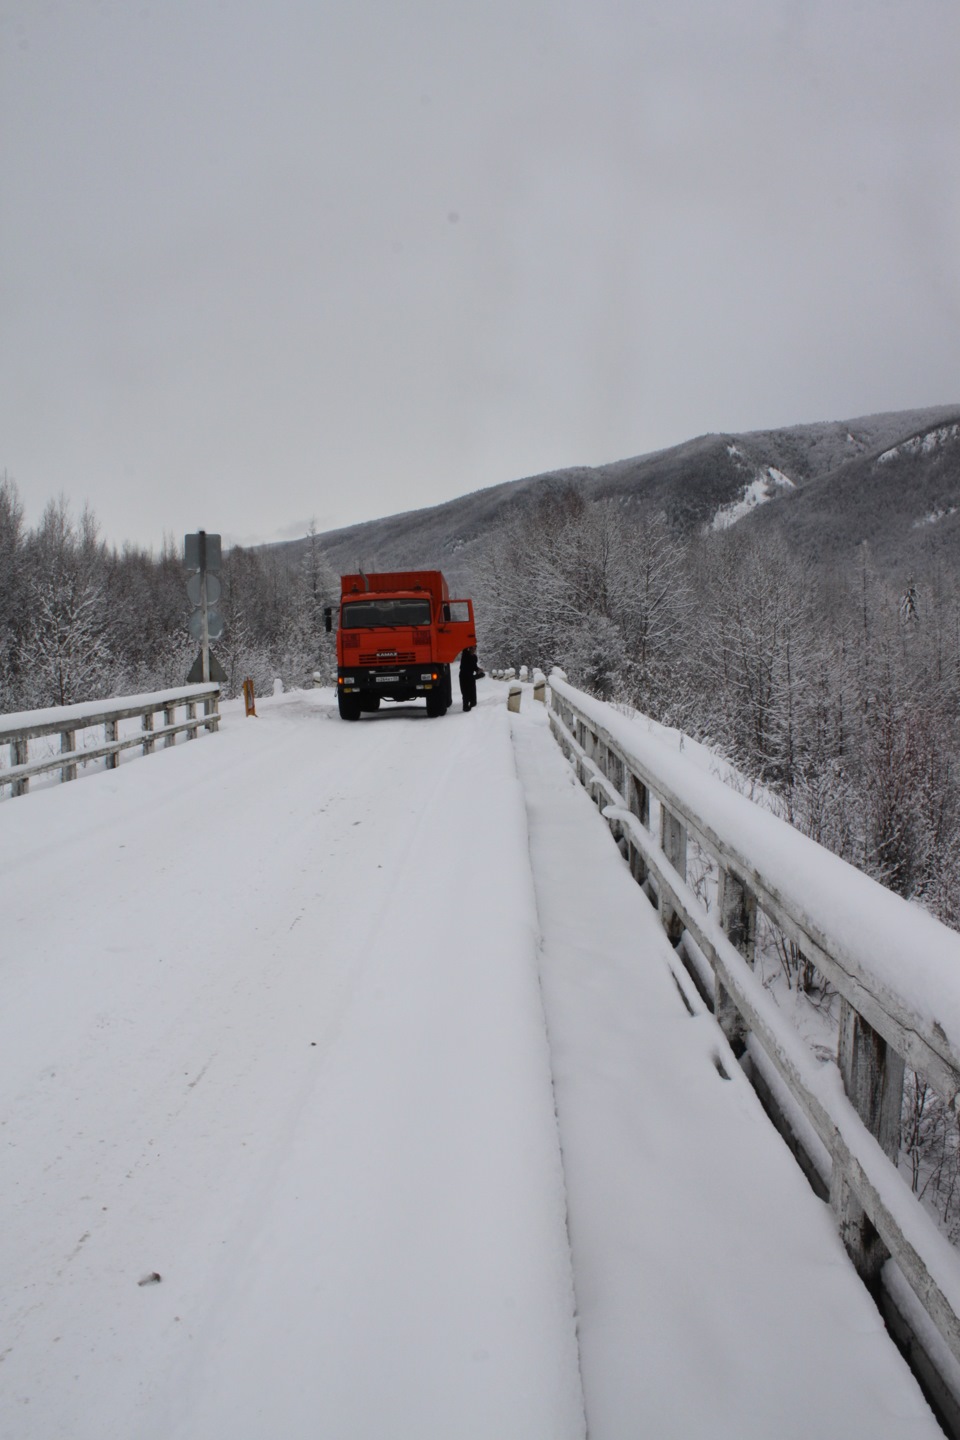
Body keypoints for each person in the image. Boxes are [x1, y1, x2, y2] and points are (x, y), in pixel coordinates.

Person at [459, 647, 484, 711]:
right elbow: (464, 648)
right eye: (472, 648)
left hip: (470, 676)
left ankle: (473, 705)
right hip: (463, 676)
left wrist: (478, 670)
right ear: (469, 649)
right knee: (465, 692)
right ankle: (466, 707)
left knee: (472, 692)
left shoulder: (474, 657)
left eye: (474, 648)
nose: (473, 650)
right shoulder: (465, 655)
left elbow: (474, 666)